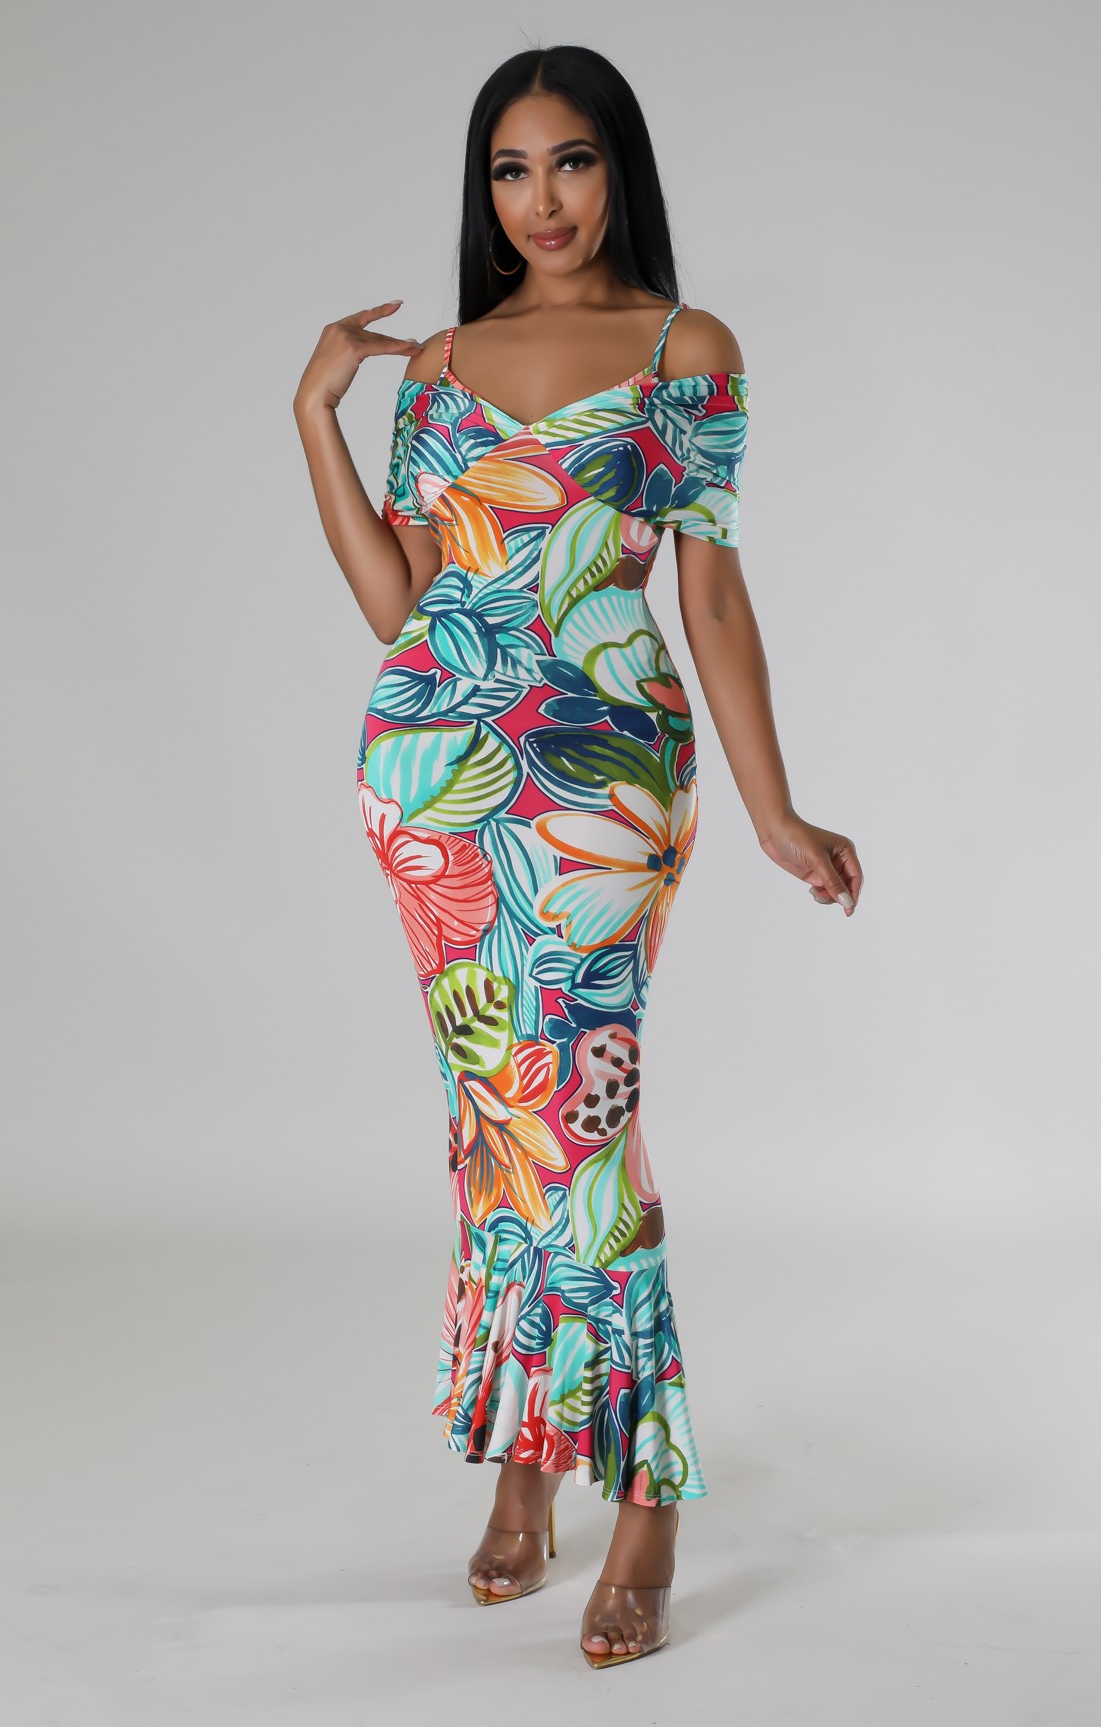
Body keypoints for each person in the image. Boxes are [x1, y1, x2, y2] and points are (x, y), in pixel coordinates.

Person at [293, 42, 863, 1669]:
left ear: (622, 168)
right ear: (483, 189)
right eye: (510, 169)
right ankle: (528, 1460)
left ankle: (647, 1491)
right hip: (433, 784)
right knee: (496, 1129)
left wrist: (772, 809)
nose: (540, 200)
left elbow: (713, 595)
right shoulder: (441, 365)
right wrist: (315, 414)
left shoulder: (687, 348)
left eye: (571, 161)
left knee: (583, 1134)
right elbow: (406, 606)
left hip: (605, 780)